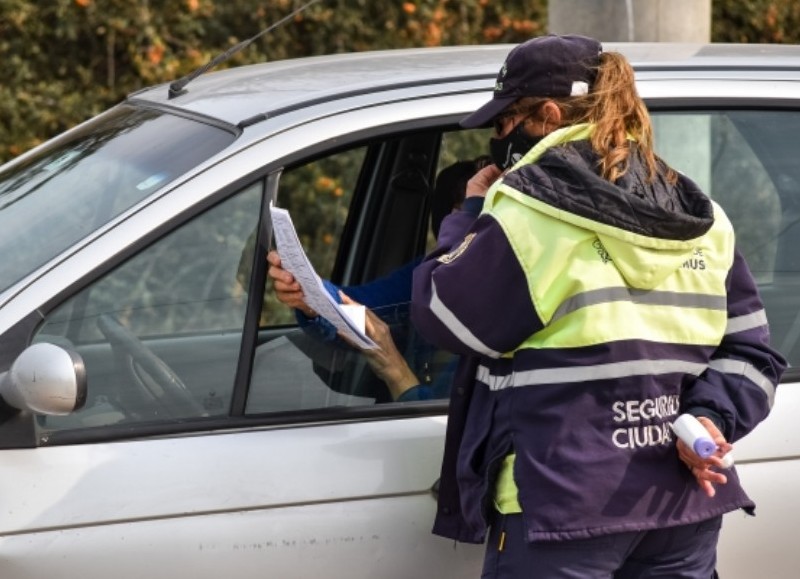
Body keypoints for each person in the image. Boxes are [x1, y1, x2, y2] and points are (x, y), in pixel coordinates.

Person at [410, 34, 787, 578]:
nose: (498, 138)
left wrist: (467, 216)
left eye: (503, 121)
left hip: (561, 507)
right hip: (681, 508)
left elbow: (440, 314)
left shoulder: (526, 215)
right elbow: (753, 353)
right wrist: (708, 417)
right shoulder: (702, 215)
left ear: (547, 114)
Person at [267, 157, 489, 402]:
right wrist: (307, 297)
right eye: (471, 211)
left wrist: (394, 369)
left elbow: (440, 422)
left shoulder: (505, 309)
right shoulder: (428, 274)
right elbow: (358, 306)